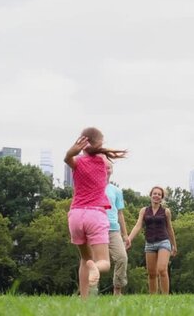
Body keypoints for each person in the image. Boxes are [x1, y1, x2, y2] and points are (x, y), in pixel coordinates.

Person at [64, 127, 126, 298]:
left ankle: (84, 299)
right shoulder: (103, 163)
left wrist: (73, 151)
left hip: (75, 215)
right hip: (95, 215)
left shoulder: (76, 162)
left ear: (82, 143)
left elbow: (67, 158)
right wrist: (99, 148)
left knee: (85, 259)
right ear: (99, 143)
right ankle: (95, 269)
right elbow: (106, 164)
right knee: (103, 262)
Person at [127, 186, 177, 294]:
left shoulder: (166, 211)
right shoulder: (144, 211)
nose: (156, 196)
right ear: (151, 195)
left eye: (159, 194)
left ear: (162, 198)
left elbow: (169, 228)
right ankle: (153, 298)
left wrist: (174, 245)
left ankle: (165, 298)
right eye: (155, 193)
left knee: (162, 269)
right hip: (149, 243)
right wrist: (129, 239)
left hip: (163, 241)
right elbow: (138, 226)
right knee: (151, 273)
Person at [105, 162, 130, 295]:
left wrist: (125, 235)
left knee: (122, 258)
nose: (106, 169)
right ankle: (89, 291)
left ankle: (117, 290)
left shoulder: (116, 191)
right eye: (103, 167)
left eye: (108, 167)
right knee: (92, 260)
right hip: (96, 229)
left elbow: (120, 213)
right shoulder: (92, 187)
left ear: (112, 170)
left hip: (114, 229)